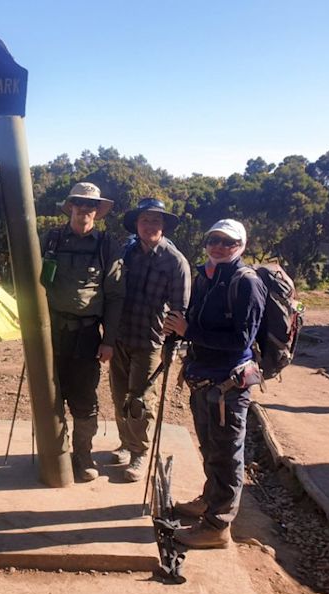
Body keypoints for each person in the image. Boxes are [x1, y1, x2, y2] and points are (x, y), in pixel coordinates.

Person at [164, 219, 266, 549]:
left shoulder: (245, 282)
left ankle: (218, 526)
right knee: (210, 449)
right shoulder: (206, 276)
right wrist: (181, 327)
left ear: (241, 246)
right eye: (214, 239)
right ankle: (210, 500)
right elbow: (194, 322)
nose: (219, 246)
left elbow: (240, 340)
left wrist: (188, 331)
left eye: (228, 242)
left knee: (226, 454)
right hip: (203, 378)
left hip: (229, 385)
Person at [41, 182, 125, 481]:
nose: (84, 210)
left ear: (97, 212)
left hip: (87, 335)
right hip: (51, 334)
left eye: (91, 205)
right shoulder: (50, 239)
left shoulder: (106, 246)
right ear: (70, 206)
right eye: (79, 203)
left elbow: (115, 296)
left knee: (85, 400)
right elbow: (32, 282)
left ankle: (83, 454)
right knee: (49, 396)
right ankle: (55, 453)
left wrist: (109, 340)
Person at [109, 198, 191, 482]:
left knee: (140, 401)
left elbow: (180, 308)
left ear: (164, 225)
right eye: (145, 220)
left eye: (156, 221)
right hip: (121, 336)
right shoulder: (127, 252)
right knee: (120, 395)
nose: (150, 226)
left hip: (151, 340)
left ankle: (140, 452)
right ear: (137, 224)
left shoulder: (175, 261)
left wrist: (174, 346)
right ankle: (125, 442)